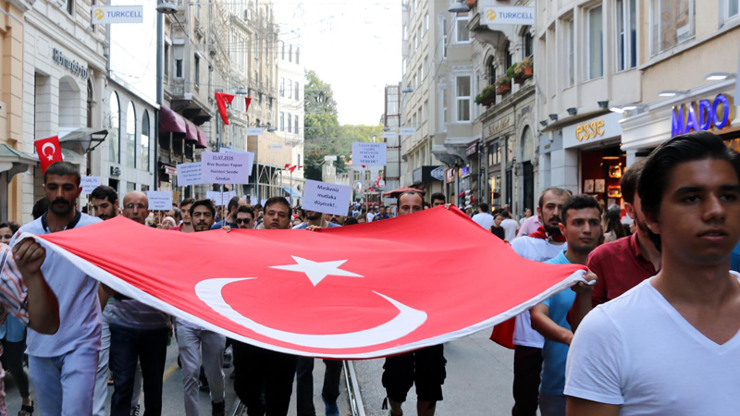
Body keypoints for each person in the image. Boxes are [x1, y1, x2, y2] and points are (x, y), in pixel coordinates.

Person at [565, 131, 740, 415]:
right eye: (692, 198)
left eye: (729, 195)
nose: (716, 210)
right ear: (651, 216)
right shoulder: (607, 331)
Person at [10, 161, 102, 416]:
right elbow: (12, 286)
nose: (60, 194)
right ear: (44, 189)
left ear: (78, 190)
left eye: (67, 187)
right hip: (40, 341)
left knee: (76, 412)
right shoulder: (25, 235)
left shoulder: (96, 230)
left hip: (83, 340)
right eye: (53, 187)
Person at [530, 195, 602, 416]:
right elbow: (538, 317)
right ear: (563, 228)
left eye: (593, 222)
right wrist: (572, 338)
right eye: (578, 223)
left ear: (603, 226)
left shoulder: (611, 265)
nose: (587, 229)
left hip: (609, 381)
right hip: (560, 383)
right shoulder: (549, 271)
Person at [508, 187, 571, 416]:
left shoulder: (577, 248)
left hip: (566, 340)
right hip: (529, 339)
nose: (556, 212)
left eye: (561, 207)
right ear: (539, 211)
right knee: (525, 404)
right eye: (550, 207)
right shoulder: (522, 246)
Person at [232, 197, 298, 416]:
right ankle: (257, 406)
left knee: (279, 394)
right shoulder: (244, 241)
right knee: (243, 386)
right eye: (271, 213)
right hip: (250, 329)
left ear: (290, 220)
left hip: (284, 333)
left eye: (281, 215)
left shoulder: (301, 245)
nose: (275, 218)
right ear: (264, 216)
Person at [106, 191, 170, 416]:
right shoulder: (112, 242)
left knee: (154, 389)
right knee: (122, 386)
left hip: (155, 328)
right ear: (122, 210)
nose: (135, 211)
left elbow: (169, 280)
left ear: (148, 211)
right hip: (123, 327)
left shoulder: (162, 241)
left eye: (140, 206)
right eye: (130, 206)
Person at [383, 191, 446, 416]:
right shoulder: (384, 237)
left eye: (416, 208)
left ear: (424, 210)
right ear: (397, 209)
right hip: (396, 320)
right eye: (405, 207)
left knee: (430, 380)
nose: (410, 212)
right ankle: (396, 410)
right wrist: (320, 233)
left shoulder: (438, 239)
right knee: (395, 379)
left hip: (431, 321)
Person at [89, 187, 144, 416]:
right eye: (96, 207)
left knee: (134, 368)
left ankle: (132, 406)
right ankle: (98, 412)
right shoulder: (89, 231)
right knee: (99, 365)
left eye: (105, 206)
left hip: (130, 309)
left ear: (115, 206)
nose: (100, 211)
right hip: (100, 308)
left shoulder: (130, 231)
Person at [582, 161, 660, 311]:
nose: (660, 207)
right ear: (630, 210)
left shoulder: (693, 257)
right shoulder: (604, 259)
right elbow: (585, 327)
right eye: (650, 200)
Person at [0, 236, 60, 416]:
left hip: (15, 331)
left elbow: (47, 324)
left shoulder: (4, 258)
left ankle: (26, 398)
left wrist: (33, 277)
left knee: (15, 365)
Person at [177, 199, 226, 416]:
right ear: (190, 218)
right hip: (186, 319)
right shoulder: (180, 243)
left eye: (206, 215)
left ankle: (219, 401)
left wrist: (229, 239)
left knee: (214, 373)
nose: (202, 219)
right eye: (198, 215)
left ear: (213, 218)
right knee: (190, 374)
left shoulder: (222, 242)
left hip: (214, 320)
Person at [0, 221, 34, 416]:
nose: (4, 241)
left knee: (14, 365)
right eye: (0, 237)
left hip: (15, 323)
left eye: (7, 237)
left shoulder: (23, 262)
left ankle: (25, 399)